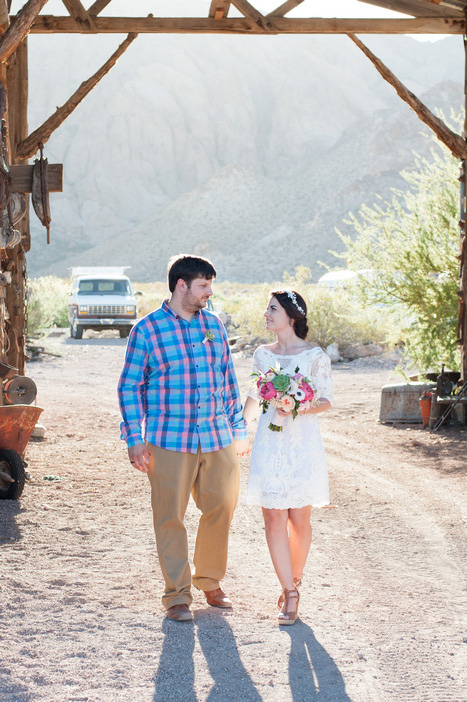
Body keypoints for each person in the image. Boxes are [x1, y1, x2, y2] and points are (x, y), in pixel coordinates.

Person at [118, 254, 249, 622]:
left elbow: (226, 379)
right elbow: (129, 387)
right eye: (204, 285)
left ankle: (209, 580)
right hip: (168, 439)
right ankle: (177, 594)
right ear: (182, 285)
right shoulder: (147, 329)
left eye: (210, 285)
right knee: (169, 517)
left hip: (215, 434)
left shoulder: (213, 325)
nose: (209, 292)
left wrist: (238, 430)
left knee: (222, 504)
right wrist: (134, 438)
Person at [243, 290, 332, 625]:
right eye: (266, 308)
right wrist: (240, 431)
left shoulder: (314, 356)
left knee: (299, 520)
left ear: (291, 316)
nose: (266, 314)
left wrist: (298, 404)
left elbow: (326, 400)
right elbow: (254, 395)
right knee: (274, 519)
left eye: (272, 309)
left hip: (301, 443)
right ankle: (289, 593)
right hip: (270, 442)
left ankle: (295, 579)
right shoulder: (262, 355)